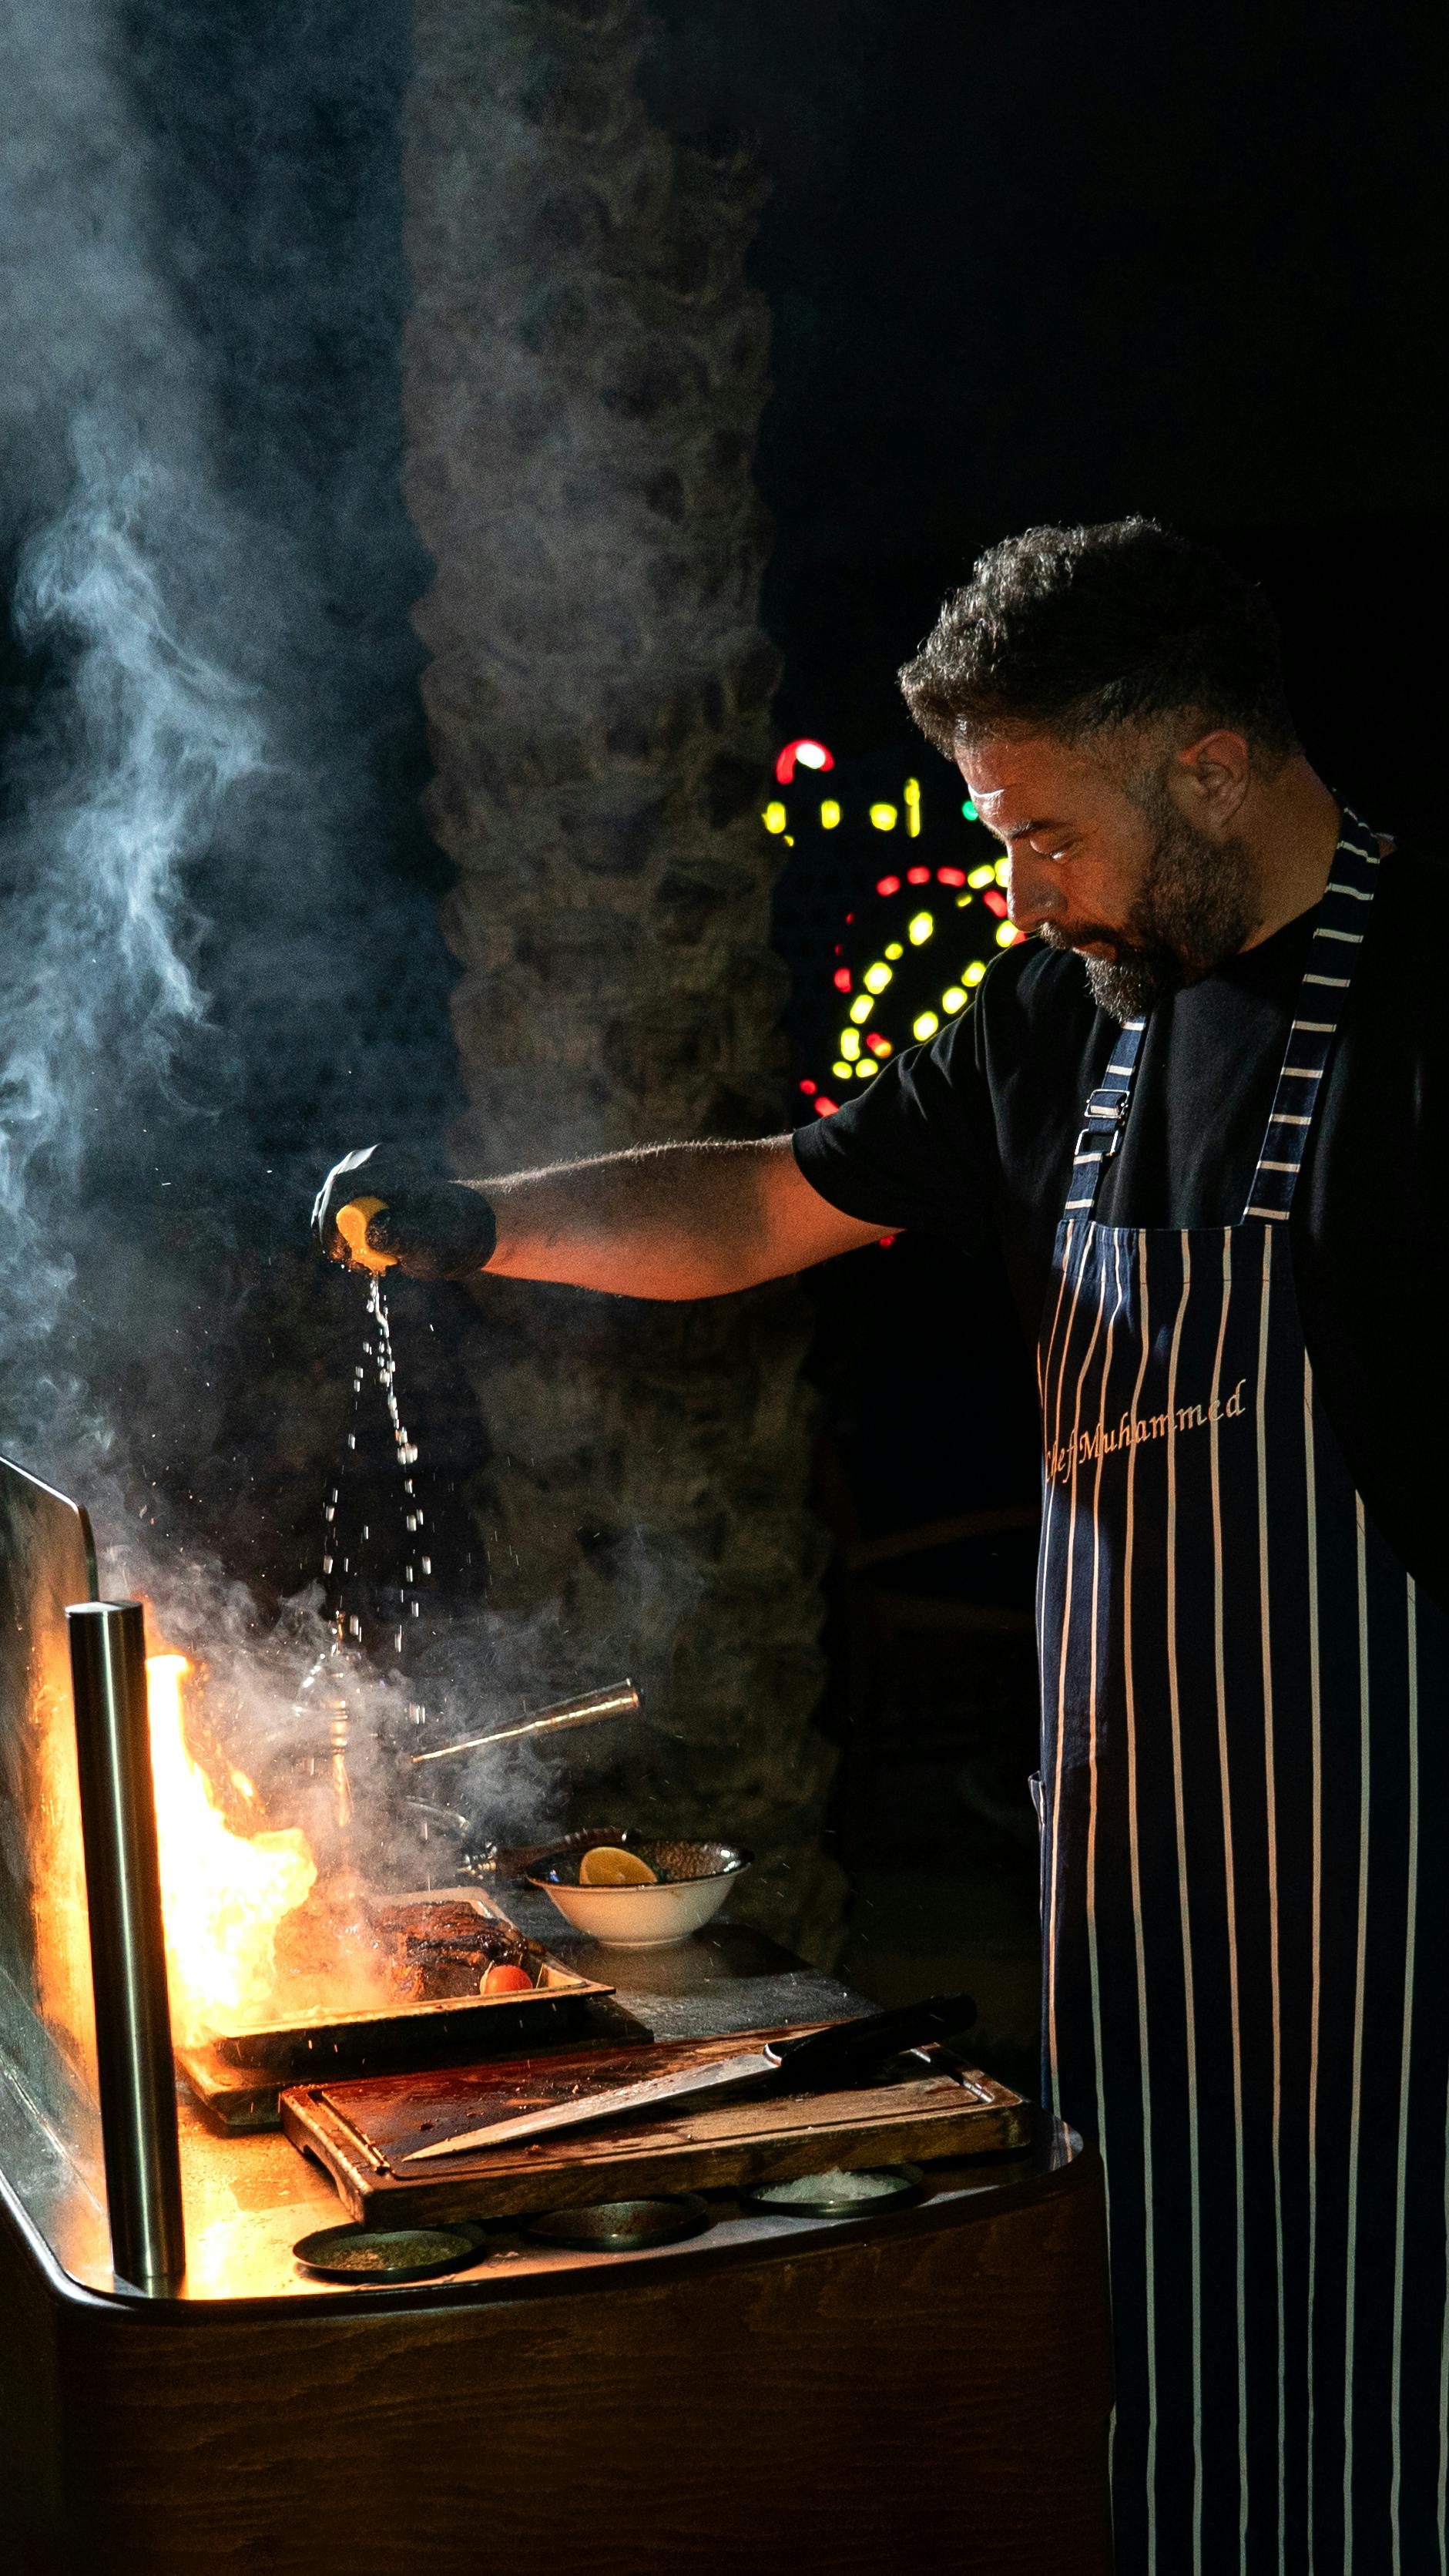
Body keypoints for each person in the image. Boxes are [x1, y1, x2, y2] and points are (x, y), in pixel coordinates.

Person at [313, 519, 1448, 2574]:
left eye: (1037, 831)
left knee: (1403, 2343)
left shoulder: (1421, 1001)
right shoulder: (1069, 1024)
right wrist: (481, 1217)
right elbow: (762, 1205)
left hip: (1400, 1863)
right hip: (1136, 1864)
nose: (1014, 891)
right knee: (1158, 2325)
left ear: (1209, 765)